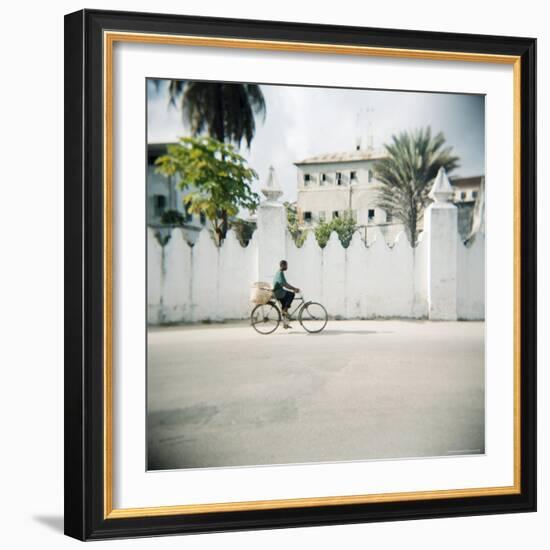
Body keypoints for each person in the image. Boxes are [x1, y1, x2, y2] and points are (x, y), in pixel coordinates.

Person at [273, 260, 300, 329]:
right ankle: (285, 311)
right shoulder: (280, 273)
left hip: (279, 291)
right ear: (282, 265)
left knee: (285, 305)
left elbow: (284, 283)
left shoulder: (279, 272)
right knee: (291, 294)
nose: (287, 267)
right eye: (286, 265)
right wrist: (294, 289)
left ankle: (285, 324)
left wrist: (293, 288)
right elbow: (285, 284)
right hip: (278, 292)